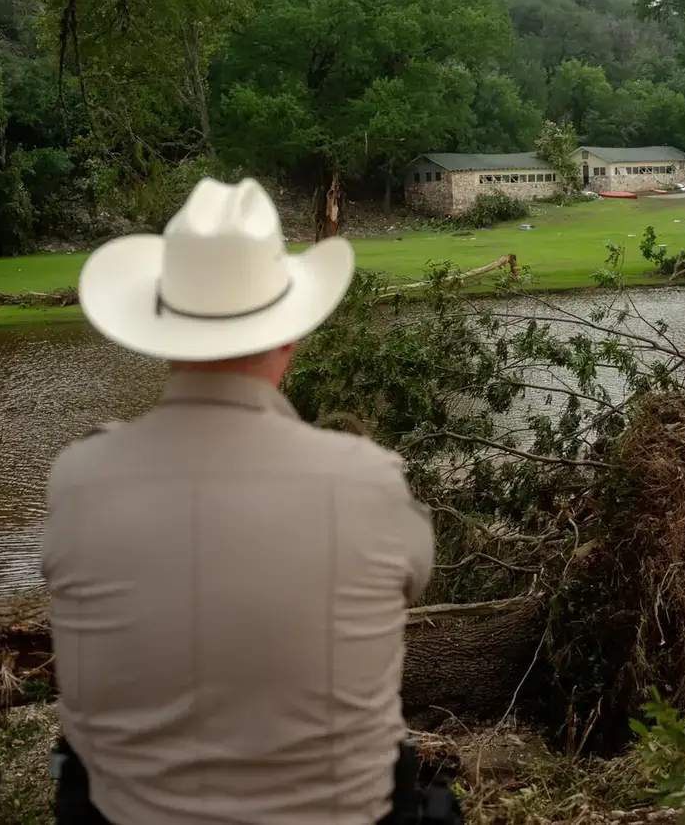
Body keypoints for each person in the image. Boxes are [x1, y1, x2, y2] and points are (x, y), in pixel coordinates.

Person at [42, 177, 437, 825]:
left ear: (161, 335)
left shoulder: (79, 479)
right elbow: (412, 578)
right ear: (290, 335)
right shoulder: (369, 482)